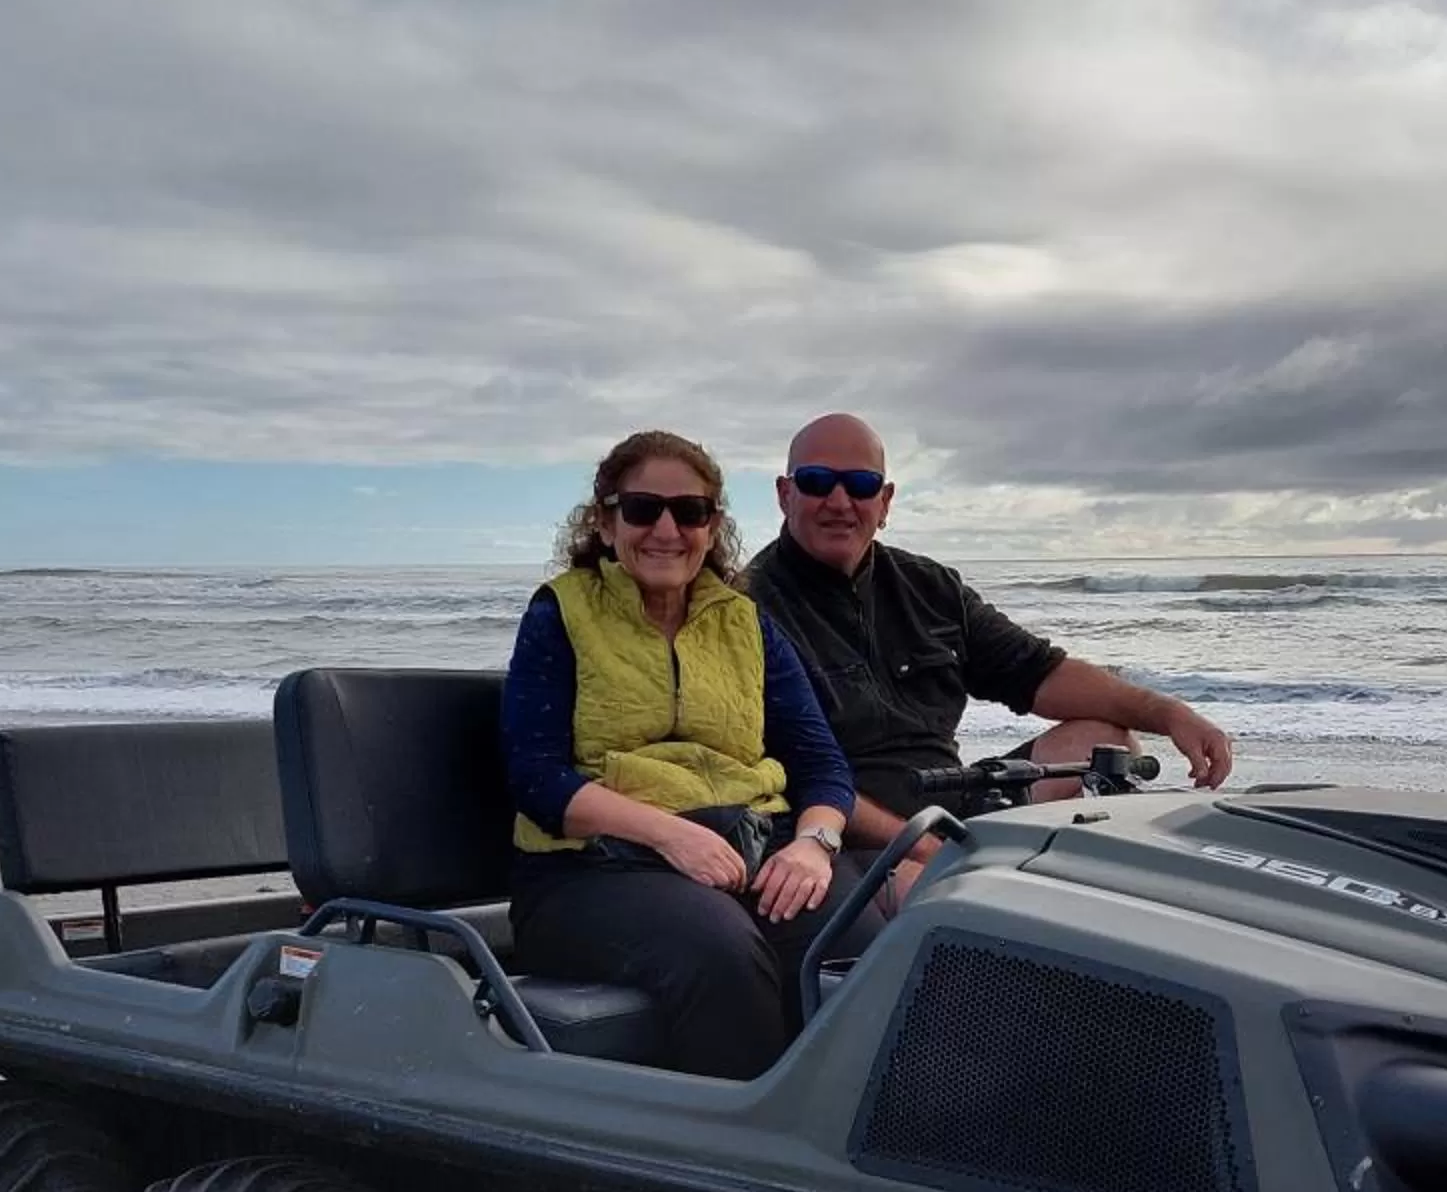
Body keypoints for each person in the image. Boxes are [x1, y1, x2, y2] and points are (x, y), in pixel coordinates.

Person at [501, 429, 869, 1081]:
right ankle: (742, 1151)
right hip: (590, 873)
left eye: (690, 511)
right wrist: (671, 835)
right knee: (718, 948)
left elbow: (822, 763)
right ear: (606, 522)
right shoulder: (562, 614)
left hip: (744, 846)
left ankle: (862, 1135)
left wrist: (813, 845)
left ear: (713, 526)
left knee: (865, 928)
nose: (666, 529)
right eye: (643, 508)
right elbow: (535, 777)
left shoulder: (746, 623)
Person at [740, 412, 1233, 895]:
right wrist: (927, 849)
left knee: (1106, 742)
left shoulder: (931, 587)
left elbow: (1040, 672)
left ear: (885, 501)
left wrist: (1168, 713)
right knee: (941, 898)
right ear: (786, 495)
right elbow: (798, 772)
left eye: (861, 484)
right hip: (848, 833)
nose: (840, 501)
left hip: (958, 804)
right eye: (818, 481)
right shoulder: (745, 607)